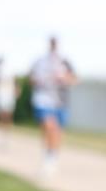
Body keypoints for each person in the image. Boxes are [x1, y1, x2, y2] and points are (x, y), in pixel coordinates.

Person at [30, 36, 77, 176]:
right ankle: (48, 157)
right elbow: (31, 79)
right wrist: (39, 81)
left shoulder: (65, 61)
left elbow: (74, 79)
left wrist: (64, 79)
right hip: (43, 100)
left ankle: (52, 157)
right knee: (49, 127)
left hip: (61, 102)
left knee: (57, 132)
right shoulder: (40, 61)